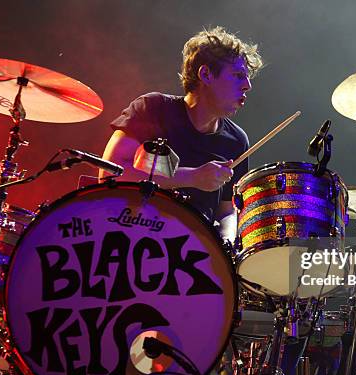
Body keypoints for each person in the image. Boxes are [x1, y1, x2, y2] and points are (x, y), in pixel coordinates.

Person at [100, 26, 263, 241]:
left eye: (248, 77)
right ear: (205, 74)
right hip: (129, 236)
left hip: (189, 255)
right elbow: (110, 174)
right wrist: (193, 177)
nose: (248, 86)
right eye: (238, 75)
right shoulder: (154, 108)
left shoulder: (236, 141)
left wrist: (226, 239)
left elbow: (227, 210)